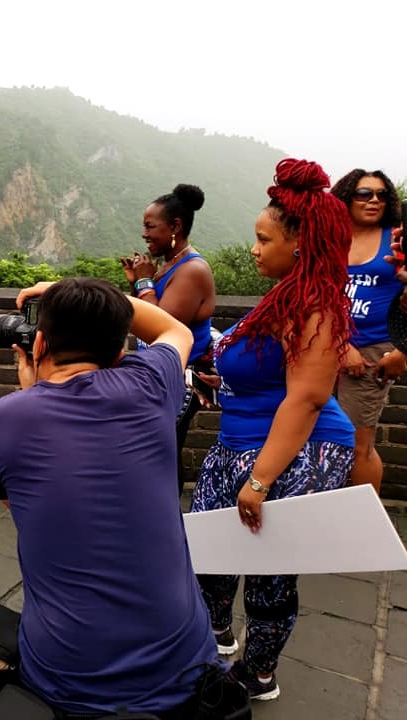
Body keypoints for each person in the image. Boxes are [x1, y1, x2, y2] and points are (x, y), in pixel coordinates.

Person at [0, 277, 227, 718]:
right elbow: (177, 332)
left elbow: (23, 507)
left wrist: (29, 391)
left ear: (37, 346)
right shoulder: (150, 386)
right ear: (118, 355)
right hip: (186, 666)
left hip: (69, 678)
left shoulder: (4, 419)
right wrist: (84, 295)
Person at [192, 158, 355, 702]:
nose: (255, 248)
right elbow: (265, 371)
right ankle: (213, 640)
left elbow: (308, 397)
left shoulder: (318, 305)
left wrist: (260, 481)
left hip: (289, 453)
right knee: (206, 552)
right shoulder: (284, 295)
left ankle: (258, 672)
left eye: (263, 239)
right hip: (238, 442)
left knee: (268, 571)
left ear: (301, 245)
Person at [120, 184, 216, 494]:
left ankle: (164, 521)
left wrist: (146, 281)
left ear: (175, 226)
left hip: (178, 383)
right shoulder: (171, 264)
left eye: (150, 226)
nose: (144, 234)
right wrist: (139, 282)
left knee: (160, 456)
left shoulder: (192, 270)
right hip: (159, 376)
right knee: (155, 455)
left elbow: (163, 326)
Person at [330, 169, 406, 493]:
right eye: (364, 193)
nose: (374, 200)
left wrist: (402, 351)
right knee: (320, 435)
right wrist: (341, 345)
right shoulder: (331, 237)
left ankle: (363, 525)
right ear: (346, 198)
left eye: (381, 194)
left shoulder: (398, 237)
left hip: (374, 349)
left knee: (358, 441)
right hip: (327, 344)